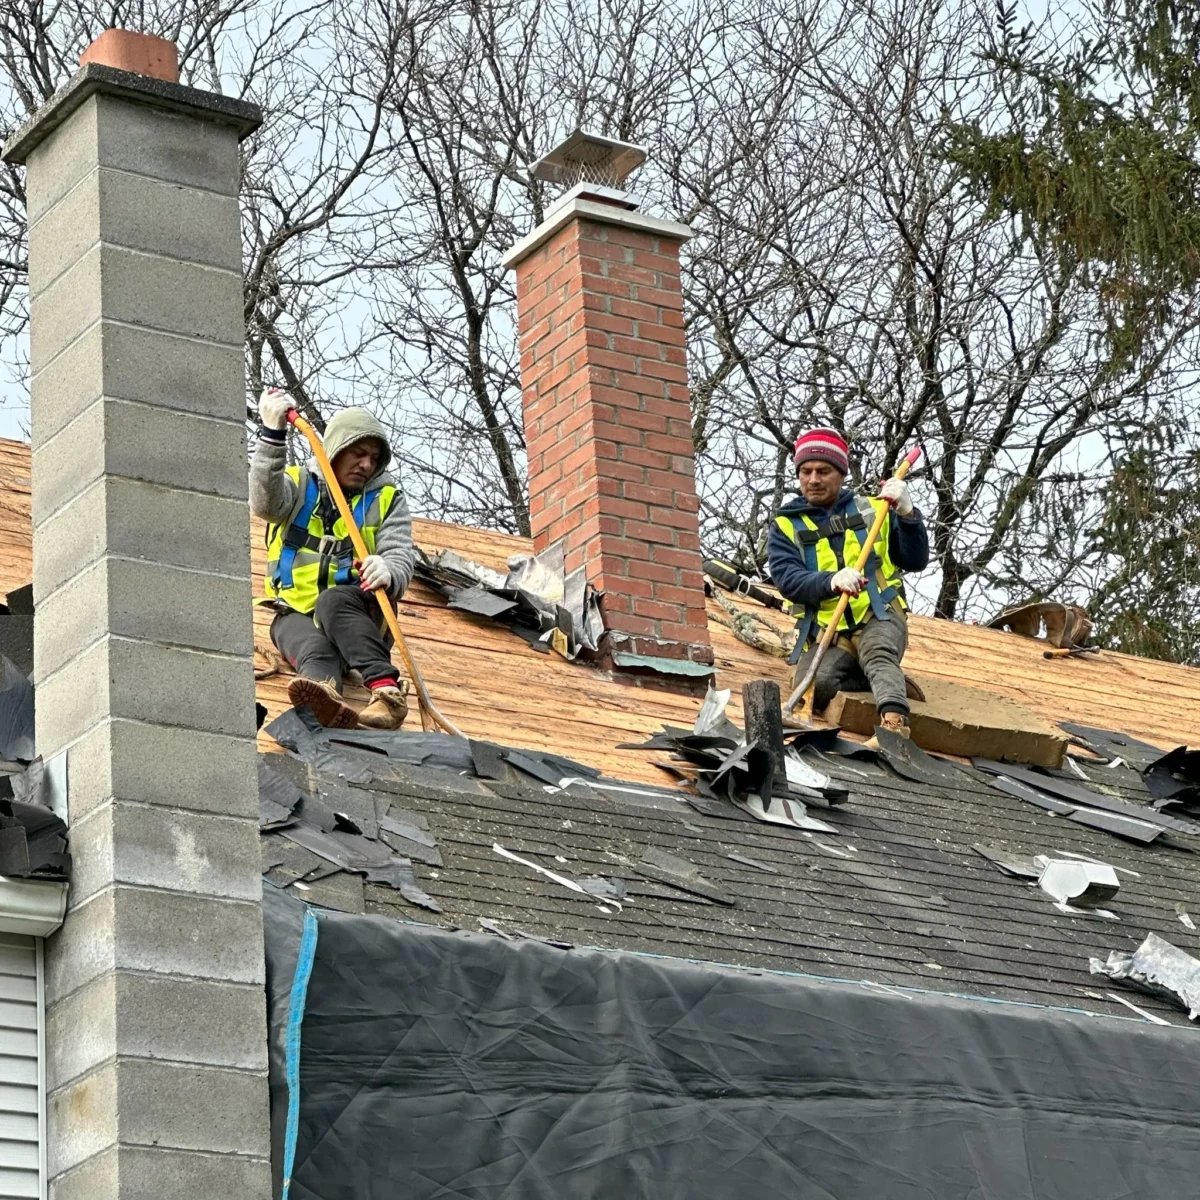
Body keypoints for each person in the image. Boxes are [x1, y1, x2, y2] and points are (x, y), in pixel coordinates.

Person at [251, 389, 417, 730]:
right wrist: (272, 435)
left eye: (373, 458)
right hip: (295, 612)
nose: (366, 464)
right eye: (358, 453)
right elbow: (264, 503)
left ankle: (388, 694)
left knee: (332, 601)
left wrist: (388, 569)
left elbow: (400, 554)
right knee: (313, 648)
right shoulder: (298, 484)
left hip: (360, 615)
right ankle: (322, 698)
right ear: (336, 450)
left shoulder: (386, 499)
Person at [767, 427, 929, 737]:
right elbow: (788, 580)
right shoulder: (785, 525)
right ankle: (882, 678)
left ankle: (895, 727)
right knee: (817, 684)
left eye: (823, 471)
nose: (813, 479)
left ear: (841, 474)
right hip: (829, 631)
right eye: (806, 471)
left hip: (878, 615)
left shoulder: (875, 509)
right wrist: (830, 581)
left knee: (878, 652)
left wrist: (908, 515)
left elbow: (915, 560)